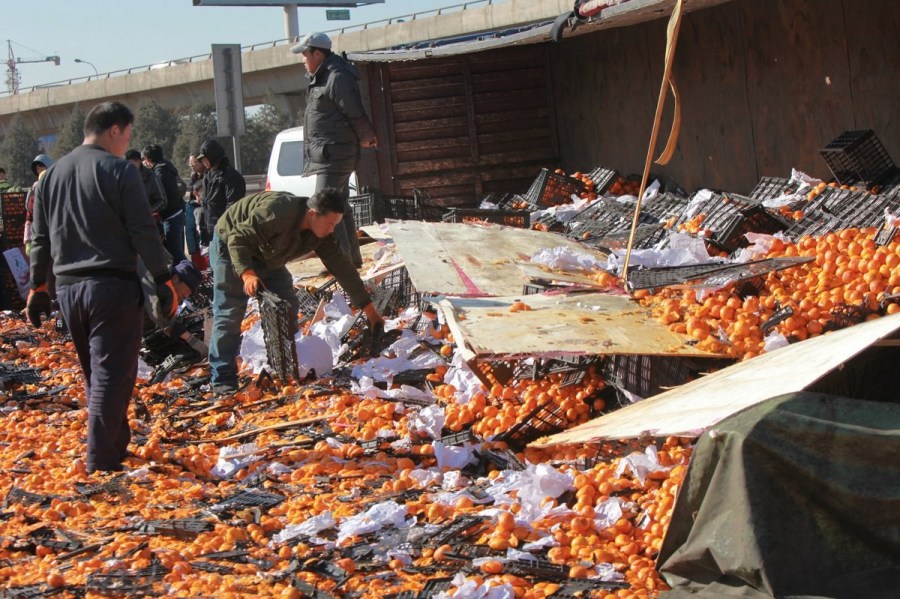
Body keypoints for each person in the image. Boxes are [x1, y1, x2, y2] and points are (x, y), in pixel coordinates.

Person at [27, 101, 177, 474]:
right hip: (111, 288)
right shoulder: (119, 171)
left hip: (68, 291)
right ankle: (100, 461)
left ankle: (115, 445)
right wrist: (164, 279)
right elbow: (143, 231)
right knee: (114, 376)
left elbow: (40, 239)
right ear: (114, 130)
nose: (127, 142)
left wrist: (37, 287)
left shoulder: (52, 176)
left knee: (97, 375)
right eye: (127, 135)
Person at [208, 187, 383, 395]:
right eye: (329, 224)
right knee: (230, 313)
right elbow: (238, 238)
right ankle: (222, 379)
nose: (331, 230)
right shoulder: (277, 212)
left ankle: (287, 366)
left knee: (287, 304)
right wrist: (247, 274)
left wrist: (370, 311)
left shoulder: (322, 234)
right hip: (230, 246)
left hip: (266, 253)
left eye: (335, 225)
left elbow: (343, 269)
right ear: (312, 214)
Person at [291, 32, 378, 268]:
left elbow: (353, 110)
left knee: (323, 209)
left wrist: (366, 135)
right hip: (331, 152)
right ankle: (352, 262)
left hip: (335, 154)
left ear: (317, 53)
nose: (303, 60)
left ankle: (341, 265)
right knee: (340, 207)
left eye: (305, 55)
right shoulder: (324, 76)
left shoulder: (336, 76)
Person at [140, 259, 208, 358]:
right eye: (187, 290)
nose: (186, 296)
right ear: (175, 278)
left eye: (190, 294)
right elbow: (157, 313)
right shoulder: (157, 284)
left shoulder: (168, 290)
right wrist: (189, 338)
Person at [142, 144, 187, 263]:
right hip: (177, 213)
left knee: (176, 253)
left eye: (144, 159)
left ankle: (189, 278)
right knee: (176, 251)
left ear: (149, 159)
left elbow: (162, 197)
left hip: (170, 217)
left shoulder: (159, 172)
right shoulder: (167, 167)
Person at [197, 139, 245, 244]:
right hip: (211, 234)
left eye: (205, 158)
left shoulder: (231, 177)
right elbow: (206, 204)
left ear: (212, 156)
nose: (202, 162)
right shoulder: (208, 176)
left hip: (226, 234)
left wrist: (223, 230)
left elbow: (233, 207)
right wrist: (203, 229)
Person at [23, 154, 53, 254]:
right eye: (37, 167)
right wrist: (27, 241)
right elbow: (29, 217)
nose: (38, 168)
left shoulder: (58, 186)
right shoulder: (33, 189)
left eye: (41, 165)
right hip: (40, 235)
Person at [125, 149, 166, 216]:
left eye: (130, 164)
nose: (127, 167)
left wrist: (148, 212)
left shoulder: (151, 177)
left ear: (138, 162)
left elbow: (162, 201)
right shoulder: (124, 178)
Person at [185, 153, 207, 266]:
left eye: (194, 162)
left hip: (203, 208)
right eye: (190, 163)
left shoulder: (208, 175)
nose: (191, 165)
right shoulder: (193, 176)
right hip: (193, 206)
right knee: (190, 232)